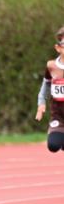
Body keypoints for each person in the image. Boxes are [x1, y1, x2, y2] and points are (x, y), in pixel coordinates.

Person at [35, 25, 64, 153]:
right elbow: (46, 85)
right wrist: (41, 103)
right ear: (58, 48)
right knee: (53, 146)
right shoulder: (51, 66)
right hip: (58, 114)